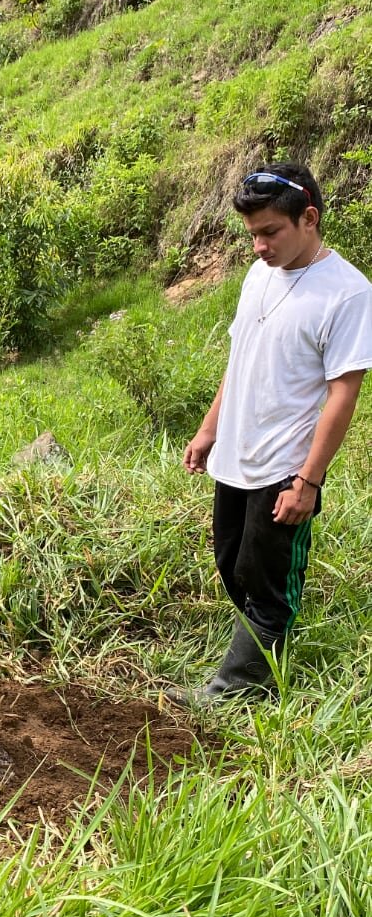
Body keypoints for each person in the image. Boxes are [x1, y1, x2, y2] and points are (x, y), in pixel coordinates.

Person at [176, 161, 372, 703]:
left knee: (268, 582)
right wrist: (209, 429)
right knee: (232, 563)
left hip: (286, 464)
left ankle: (238, 689)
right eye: (252, 234)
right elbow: (241, 357)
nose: (259, 246)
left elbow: (343, 393)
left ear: (308, 218)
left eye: (270, 232)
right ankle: (258, 652)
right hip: (239, 452)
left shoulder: (348, 293)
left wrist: (308, 482)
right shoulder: (260, 273)